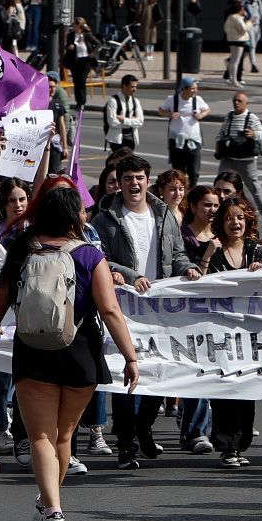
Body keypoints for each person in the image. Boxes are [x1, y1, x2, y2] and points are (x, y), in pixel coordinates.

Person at [0, 182, 140, 521]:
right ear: (73, 215)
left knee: (39, 435)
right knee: (63, 436)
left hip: (32, 349)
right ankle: (52, 502)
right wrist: (130, 357)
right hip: (79, 350)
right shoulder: (89, 255)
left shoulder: (23, 249)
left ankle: (51, 508)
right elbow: (110, 310)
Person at [92, 155, 199, 469]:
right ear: (120, 182)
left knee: (161, 370)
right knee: (128, 372)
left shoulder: (163, 214)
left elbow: (177, 253)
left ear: (147, 181)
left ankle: (143, 427)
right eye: (127, 178)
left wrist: (189, 268)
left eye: (139, 177)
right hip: (125, 307)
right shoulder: (105, 218)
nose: (133, 184)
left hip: (159, 308)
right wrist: (128, 273)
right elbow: (99, 258)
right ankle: (126, 442)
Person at [204, 198, 262, 467]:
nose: (235, 223)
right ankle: (226, 446)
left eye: (240, 217)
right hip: (221, 331)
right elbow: (201, 286)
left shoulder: (255, 249)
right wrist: (207, 255)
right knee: (224, 388)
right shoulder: (215, 250)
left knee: (246, 389)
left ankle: (241, 445)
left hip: (250, 332)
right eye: (230, 218)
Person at [212, 90, 262, 229]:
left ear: (246, 103)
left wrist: (254, 134)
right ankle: (219, 209)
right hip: (228, 157)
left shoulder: (251, 117)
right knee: (220, 184)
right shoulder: (230, 116)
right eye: (235, 100)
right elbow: (221, 132)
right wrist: (218, 145)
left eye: (239, 101)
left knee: (253, 185)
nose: (236, 103)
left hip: (246, 159)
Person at [158, 78, 210, 181]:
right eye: (192, 88)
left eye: (196, 88)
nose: (195, 91)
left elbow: (207, 109)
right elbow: (161, 110)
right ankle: (181, 193)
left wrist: (201, 115)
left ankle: (192, 192)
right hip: (176, 140)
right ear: (184, 89)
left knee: (193, 171)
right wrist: (170, 114)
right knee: (178, 171)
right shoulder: (172, 99)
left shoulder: (197, 100)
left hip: (193, 141)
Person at [103, 74, 144, 153]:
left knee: (129, 164)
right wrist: (132, 122)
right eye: (132, 87)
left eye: (135, 87)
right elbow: (112, 122)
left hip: (131, 140)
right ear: (124, 86)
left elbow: (140, 122)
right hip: (117, 140)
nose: (135, 89)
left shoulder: (136, 101)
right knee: (118, 164)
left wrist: (124, 120)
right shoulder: (113, 101)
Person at [63, 18, 96, 108]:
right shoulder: (71, 35)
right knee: (76, 81)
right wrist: (69, 47)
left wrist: (93, 53)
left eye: (74, 24)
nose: (73, 26)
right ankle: (78, 102)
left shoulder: (87, 35)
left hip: (85, 61)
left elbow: (98, 43)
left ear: (79, 26)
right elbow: (66, 46)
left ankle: (82, 102)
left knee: (82, 81)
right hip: (75, 61)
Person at [223, 0, 252, 83]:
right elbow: (243, 29)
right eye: (242, 9)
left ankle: (232, 78)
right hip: (239, 40)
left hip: (231, 40)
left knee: (233, 60)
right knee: (236, 61)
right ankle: (234, 80)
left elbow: (226, 29)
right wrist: (250, 22)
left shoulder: (230, 17)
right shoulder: (237, 18)